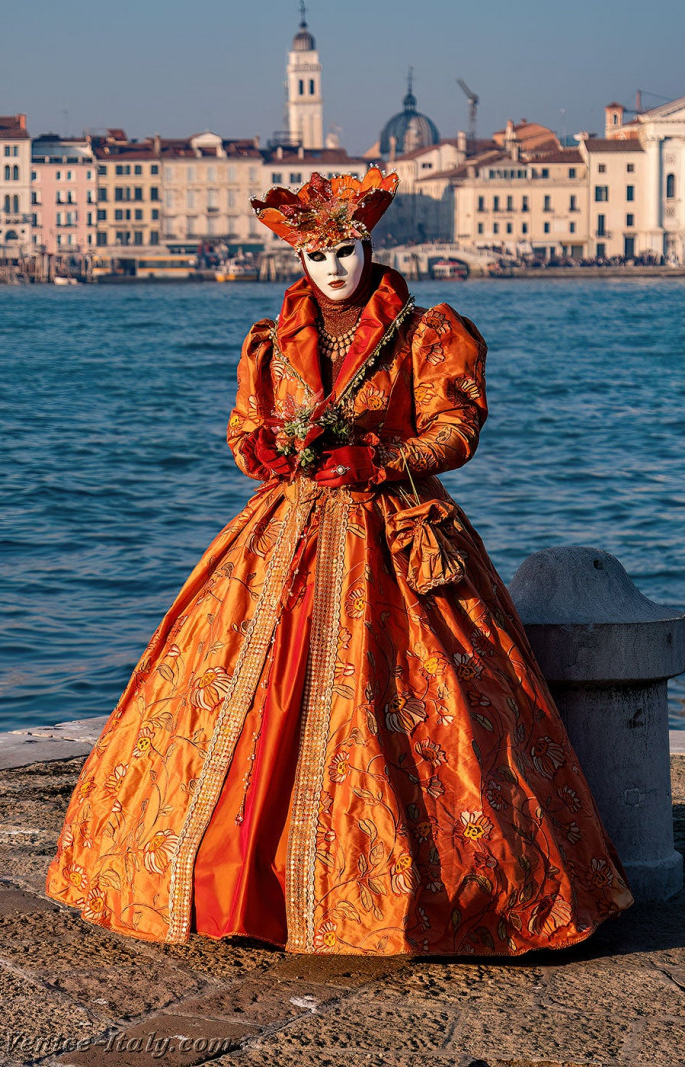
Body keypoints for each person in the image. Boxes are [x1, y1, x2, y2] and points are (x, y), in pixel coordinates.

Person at [46, 167, 633, 956]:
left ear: (368, 246)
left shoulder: (428, 333)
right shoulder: (271, 339)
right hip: (283, 535)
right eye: (319, 257)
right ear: (300, 260)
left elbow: (456, 431)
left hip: (392, 533)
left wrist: (378, 457)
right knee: (248, 695)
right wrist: (266, 448)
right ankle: (242, 889)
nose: (335, 269)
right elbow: (241, 432)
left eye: (348, 251)